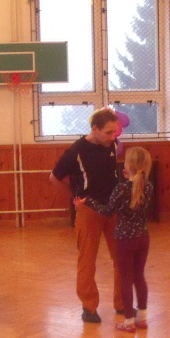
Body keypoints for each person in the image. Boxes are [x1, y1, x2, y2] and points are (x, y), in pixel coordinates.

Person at [49, 107, 123, 323]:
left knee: (122, 257)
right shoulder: (75, 151)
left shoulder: (113, 145)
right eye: (108, 132)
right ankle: (89, 307)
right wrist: (74, 196)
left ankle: (122, 303)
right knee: (87, 260)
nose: (113, 137)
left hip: (113, 209)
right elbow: (54, 178)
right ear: (95, 129)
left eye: (114, 132)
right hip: (89, 210)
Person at [75, 146, 153, 333]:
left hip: (125, 240)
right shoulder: (148, 186)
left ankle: (128, 321)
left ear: (128, 167)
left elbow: (108, 211)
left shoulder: (121, 189)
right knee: (139, 276)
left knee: (125, 279)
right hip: (143, 238)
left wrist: (88, 202)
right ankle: (142, 318)